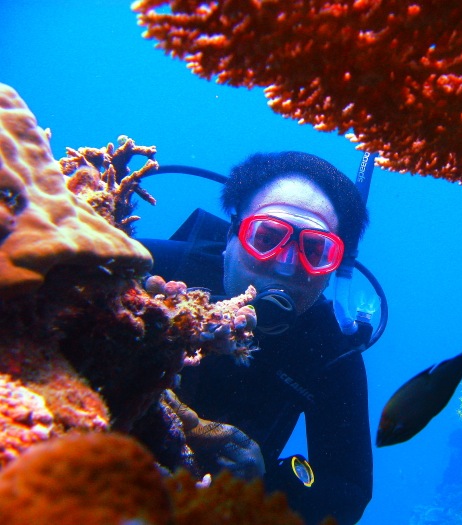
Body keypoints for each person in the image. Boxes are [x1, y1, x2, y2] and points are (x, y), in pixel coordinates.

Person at [140, 151, 373, 525]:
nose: (286, 264)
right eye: (266, 237)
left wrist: (264, 488)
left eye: (315, 250)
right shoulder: (154, 270)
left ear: (334, 270)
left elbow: (348, 493)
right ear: (231, 235)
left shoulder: (331, 351)